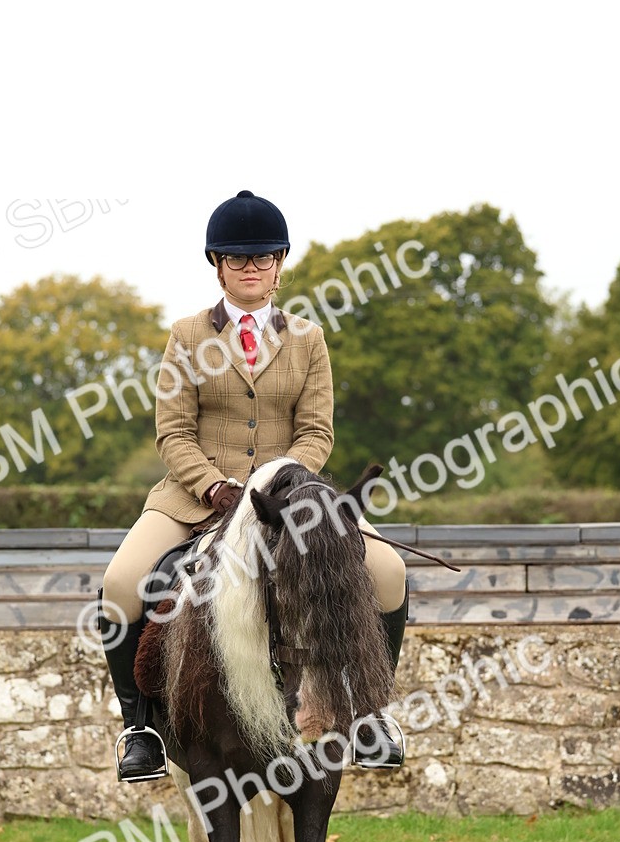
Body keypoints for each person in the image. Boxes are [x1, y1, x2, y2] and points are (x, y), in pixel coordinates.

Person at [98, 189, 408, 781]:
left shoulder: (308, 339)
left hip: (290, 499)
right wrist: (216, 488)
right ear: (217, 264)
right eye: (238, 260)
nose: (251, 269)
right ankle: (139, 728)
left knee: (389, 570)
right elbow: (173, 432)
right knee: (119, 583)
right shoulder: (187, 336)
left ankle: (372, 715)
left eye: (263, 258)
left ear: (280, 262)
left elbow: (316, 431)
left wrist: (282, 484)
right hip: (194, 498)